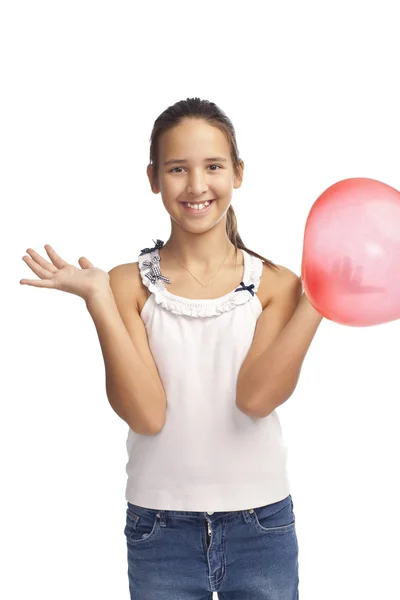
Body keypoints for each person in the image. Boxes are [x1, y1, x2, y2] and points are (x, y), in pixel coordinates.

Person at [20, 97, 324, 599]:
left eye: (214, 167)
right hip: (159, 527)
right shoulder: (124, 284)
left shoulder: (277, 284)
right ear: (154, 178)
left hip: (262, 525)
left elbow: (257, 399)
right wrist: (97, 299)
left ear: (238, 173)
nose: (198, 185)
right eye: (178, 168)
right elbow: (146, 414)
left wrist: (316, 304)